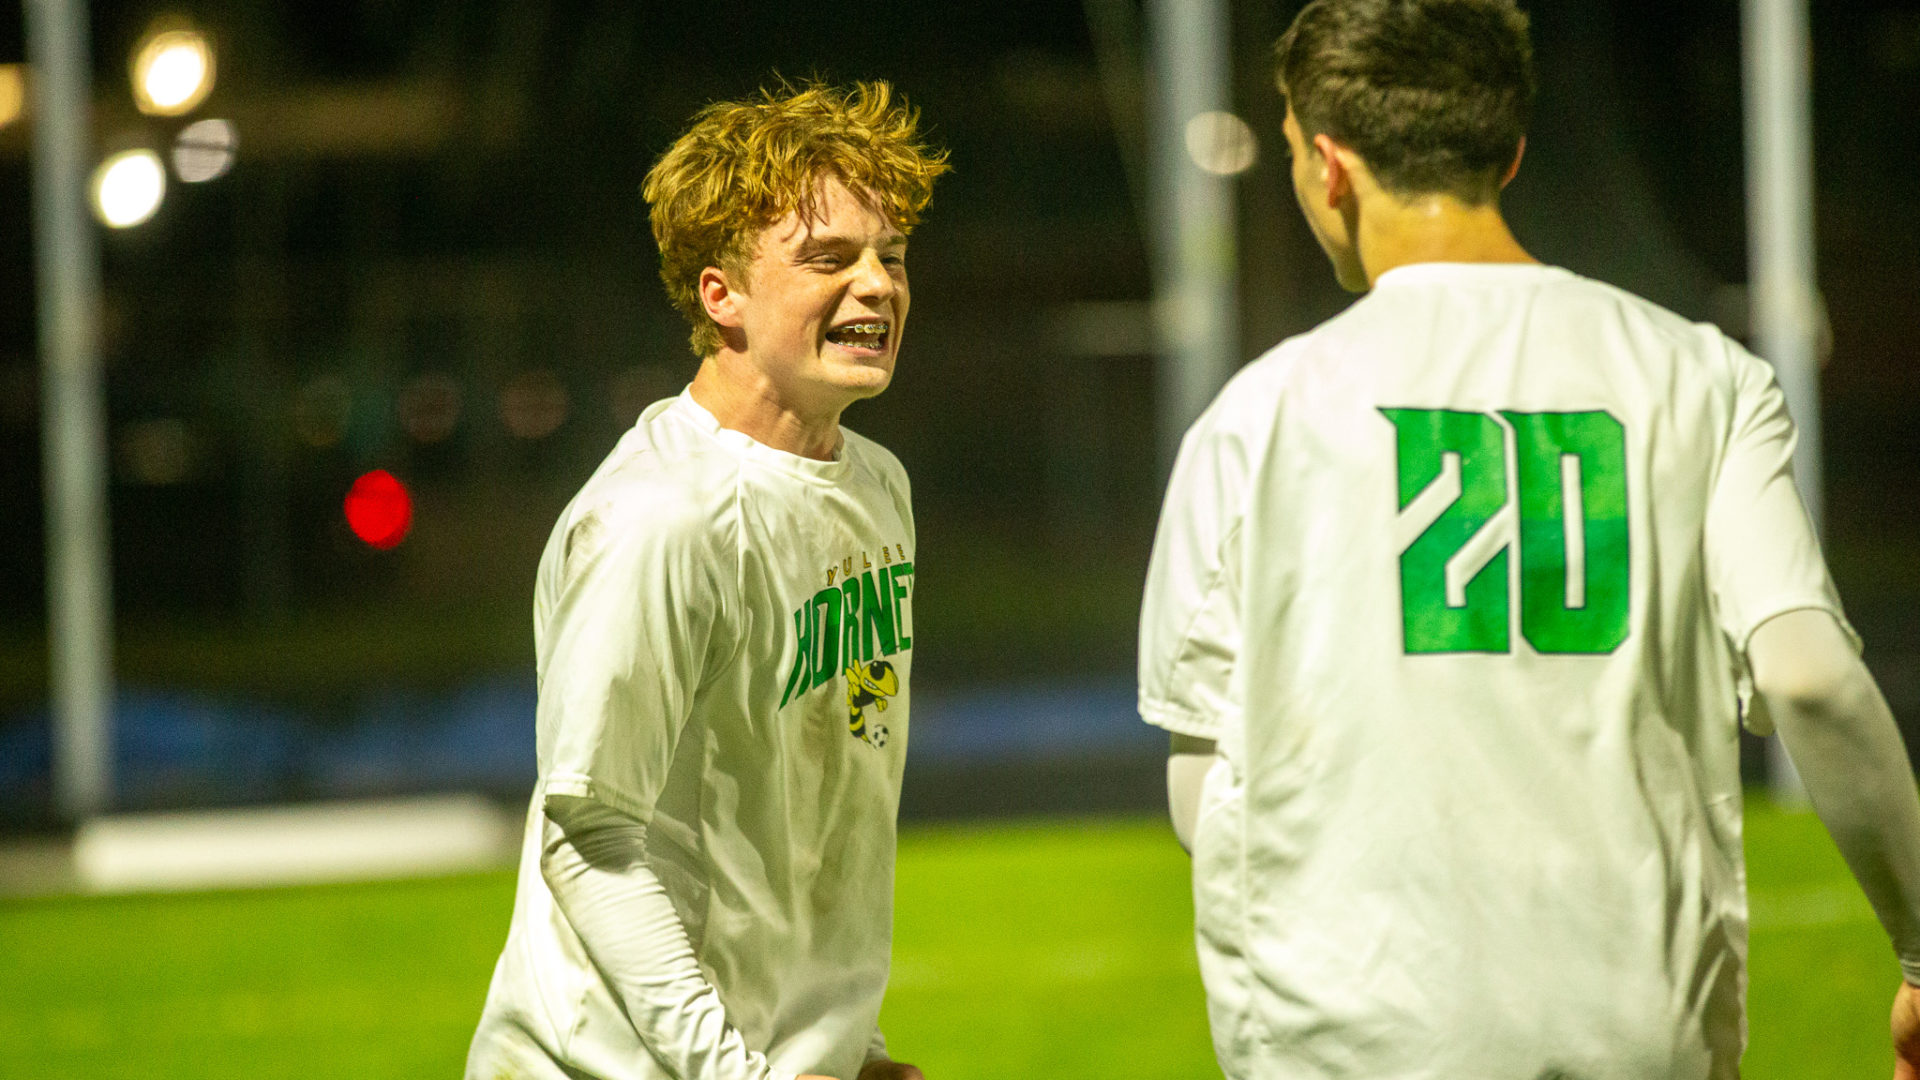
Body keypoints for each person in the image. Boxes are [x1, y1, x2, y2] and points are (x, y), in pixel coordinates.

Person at [1136, 1, 1920, 1076]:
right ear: (1509, 152)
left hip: (1346, 1041)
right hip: (1644, 1034)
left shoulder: (1256, 416)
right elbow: (1813, 677)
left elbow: (1203, 792)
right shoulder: (1702, 377)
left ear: (1328, 166)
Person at [467, 81, 947, 1080]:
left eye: (890, 257)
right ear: (719, 294)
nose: (877, 286)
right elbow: (590, 836)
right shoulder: (661, 519)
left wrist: (850, 1040)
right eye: (828, 259)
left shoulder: (877, 489)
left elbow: (830, 792)